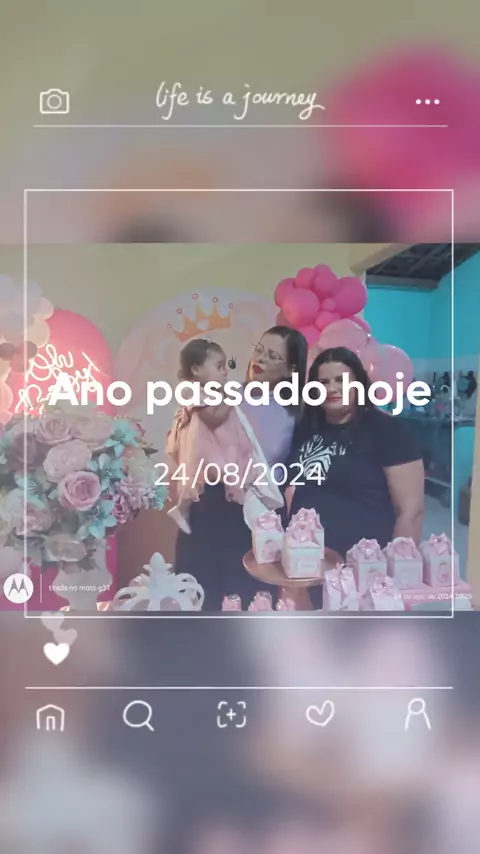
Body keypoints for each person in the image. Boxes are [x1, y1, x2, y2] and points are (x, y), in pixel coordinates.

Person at [172, 326, 308, 610]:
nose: (261, 359)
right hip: (208, 507)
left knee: (250, 601)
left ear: (290, 369)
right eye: (259, 350)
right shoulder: (222, 393)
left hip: (257, 518)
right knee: (196, 597)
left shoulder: (296, 414)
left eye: (273, 356)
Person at [286, 347, 425, 559]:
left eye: (341, 380)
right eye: (323, 382)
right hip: (304, 559)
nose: (331, 388)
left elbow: (411, 511)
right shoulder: (307, 427)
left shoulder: (388, 430)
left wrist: (396, 568)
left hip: (363, 564)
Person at [166, 338, 282, 534]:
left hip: (224, 450)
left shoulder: (213, 392)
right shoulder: (193, 392)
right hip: (207, 455)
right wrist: (229, 399)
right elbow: (214, 418)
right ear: (196, 370)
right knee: (199, 488)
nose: (225, 371)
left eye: (225, 366)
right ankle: (182, 509)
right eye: (219, 366)